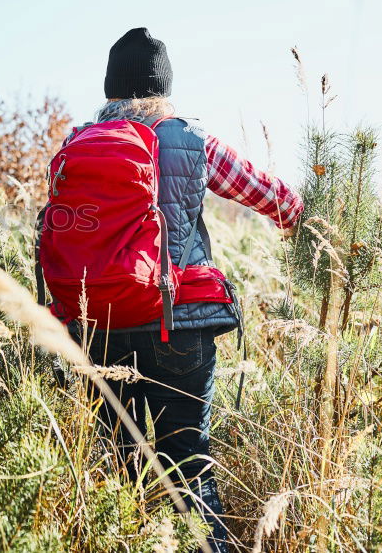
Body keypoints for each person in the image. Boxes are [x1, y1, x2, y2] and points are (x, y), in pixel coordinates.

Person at [59, 28, 302, 551]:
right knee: (190, 469)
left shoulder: (77, 143)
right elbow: (265, 193)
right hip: (178, 322)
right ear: (163, 86)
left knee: (111, 469)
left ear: (110, 90)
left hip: (95, 325)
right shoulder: (192, 140)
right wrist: (303, 215)